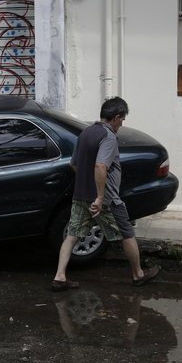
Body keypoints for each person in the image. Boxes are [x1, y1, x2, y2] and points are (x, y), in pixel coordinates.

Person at [52, 96, 160, 291]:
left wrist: (88, 183)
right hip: (106, 200)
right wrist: (100, 197)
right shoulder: (108, 137)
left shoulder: (85, 132)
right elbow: (101, 165)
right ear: (116, 117)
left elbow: (73, 164)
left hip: (80, 196)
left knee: (72, 235)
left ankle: (59, 277)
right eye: (122, 120)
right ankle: (138, 274)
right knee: (127, 233)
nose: (122, 124)